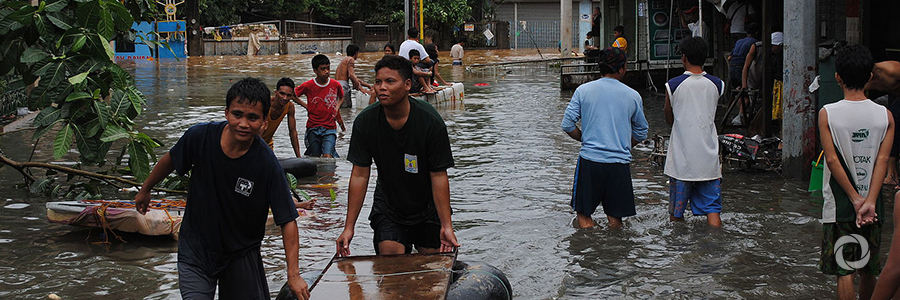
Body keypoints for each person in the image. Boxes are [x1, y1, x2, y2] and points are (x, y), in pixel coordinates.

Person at [133, 77, 309, 300]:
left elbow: (287, 220)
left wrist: (293, 274)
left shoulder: (267, 164)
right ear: (226, 112)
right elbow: (171, 159)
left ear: (264, 122)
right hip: (197, 247)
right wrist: (145, 189)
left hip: (241, 251)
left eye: (252, 118)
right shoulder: (200, 137)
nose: (243, 124)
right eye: (237, 114)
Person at [335, 55, 460, 256]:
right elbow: (359, 175)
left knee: (433, 266)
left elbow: (438, 175)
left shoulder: (430, 122)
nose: (381, 87)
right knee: (390, 257)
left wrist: (446, 225)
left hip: (427, 207)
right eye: (378, 82)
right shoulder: (365, 123)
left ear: (408, 85)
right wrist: (349, 227)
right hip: (389, 206)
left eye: (390, 81)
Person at [818, 44, 893, 300]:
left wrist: (855, 200)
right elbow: (883, 161)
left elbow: (832, 160)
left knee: (845, 269)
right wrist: (869, 201)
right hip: (874, 207)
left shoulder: (827, 114)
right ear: (870, 77)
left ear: (838, 77)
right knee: (869, 269)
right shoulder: (885, 116)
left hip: (841, 205)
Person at [561, 47, 649, 229]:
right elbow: (641, 131)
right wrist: (623, 144)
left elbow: (567, 125)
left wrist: (585, 139)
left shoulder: (583, 91)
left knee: (584, 214)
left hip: (590, 162)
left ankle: (591, 251)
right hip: (619, 164)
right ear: (622, 68)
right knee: (615, 219)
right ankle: (613, 253)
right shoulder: (632, 96)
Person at [664, 37, 724, 227]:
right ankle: (716, 245)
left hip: (682, 162)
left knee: (676, 214)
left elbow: (668, 118)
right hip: (709, 159)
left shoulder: (672, 85)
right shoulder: (717, 84)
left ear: (684, 58)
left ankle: (680, 251)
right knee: (713, 211)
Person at [294, 54, 344, 158]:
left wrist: (336, 107)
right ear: (315, 71)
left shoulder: (335, 84)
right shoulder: (308, 85)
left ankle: (329, 173)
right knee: (315, 156)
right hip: (313, 126)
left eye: (328, 68)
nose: (327, 71)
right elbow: (293, 95)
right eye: (323, 69)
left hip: (329, 127)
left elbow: (342, 97)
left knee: (327, 155)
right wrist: (306, 106)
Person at [865, 61, 900, 187]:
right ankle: (891, 173)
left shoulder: (891, 70)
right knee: (890, 123)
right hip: (894, 99)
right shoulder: (862, 80)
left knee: (894, 117)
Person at [261, 77, 302, 157]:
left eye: (288, 95)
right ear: (276, 92)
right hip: (254, 143)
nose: (285, 98)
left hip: (268, 145)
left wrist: (298, 157)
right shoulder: (265, 104)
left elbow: (293, 132)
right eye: (282, 94)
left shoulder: (289, 107)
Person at [336, 44, 373, 108]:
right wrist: (361, 89)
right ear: (356, 53)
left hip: (337, 85)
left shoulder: (344, 60)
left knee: (340, 108)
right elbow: (352, 75)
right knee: (346, 109)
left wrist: (367, 85)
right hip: (343, 86)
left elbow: (354, 77)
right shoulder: (351, 60)